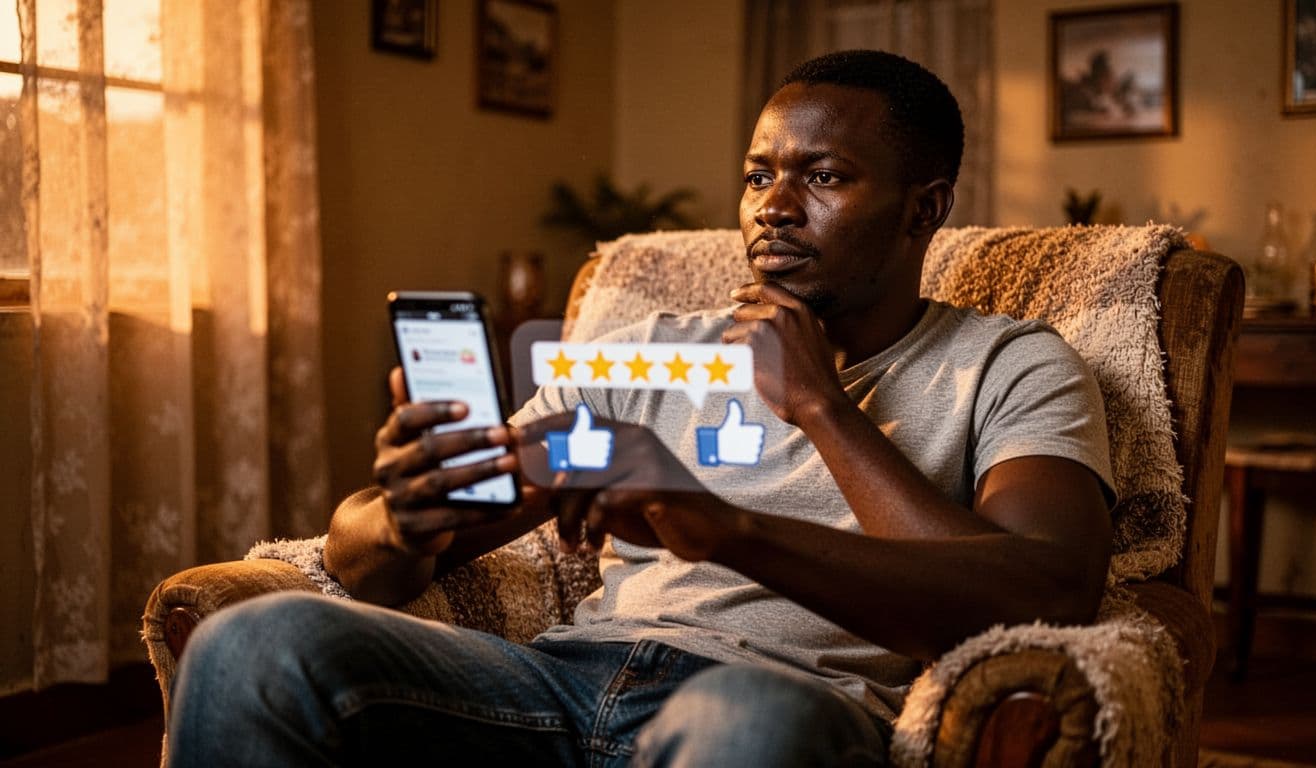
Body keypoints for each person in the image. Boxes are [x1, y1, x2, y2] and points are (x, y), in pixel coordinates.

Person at [167, 50, 1114, 767]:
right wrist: (405, 516)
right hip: (562, 683)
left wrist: (817, 413)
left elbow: (1048, 593)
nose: (773, 207)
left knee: (748, 722)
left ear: (924, 208)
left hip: (777, 703)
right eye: (757, 175)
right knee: (256, 640)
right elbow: (361, 566)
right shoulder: (649, 351)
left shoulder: (1010, 364)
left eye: (822, 177)